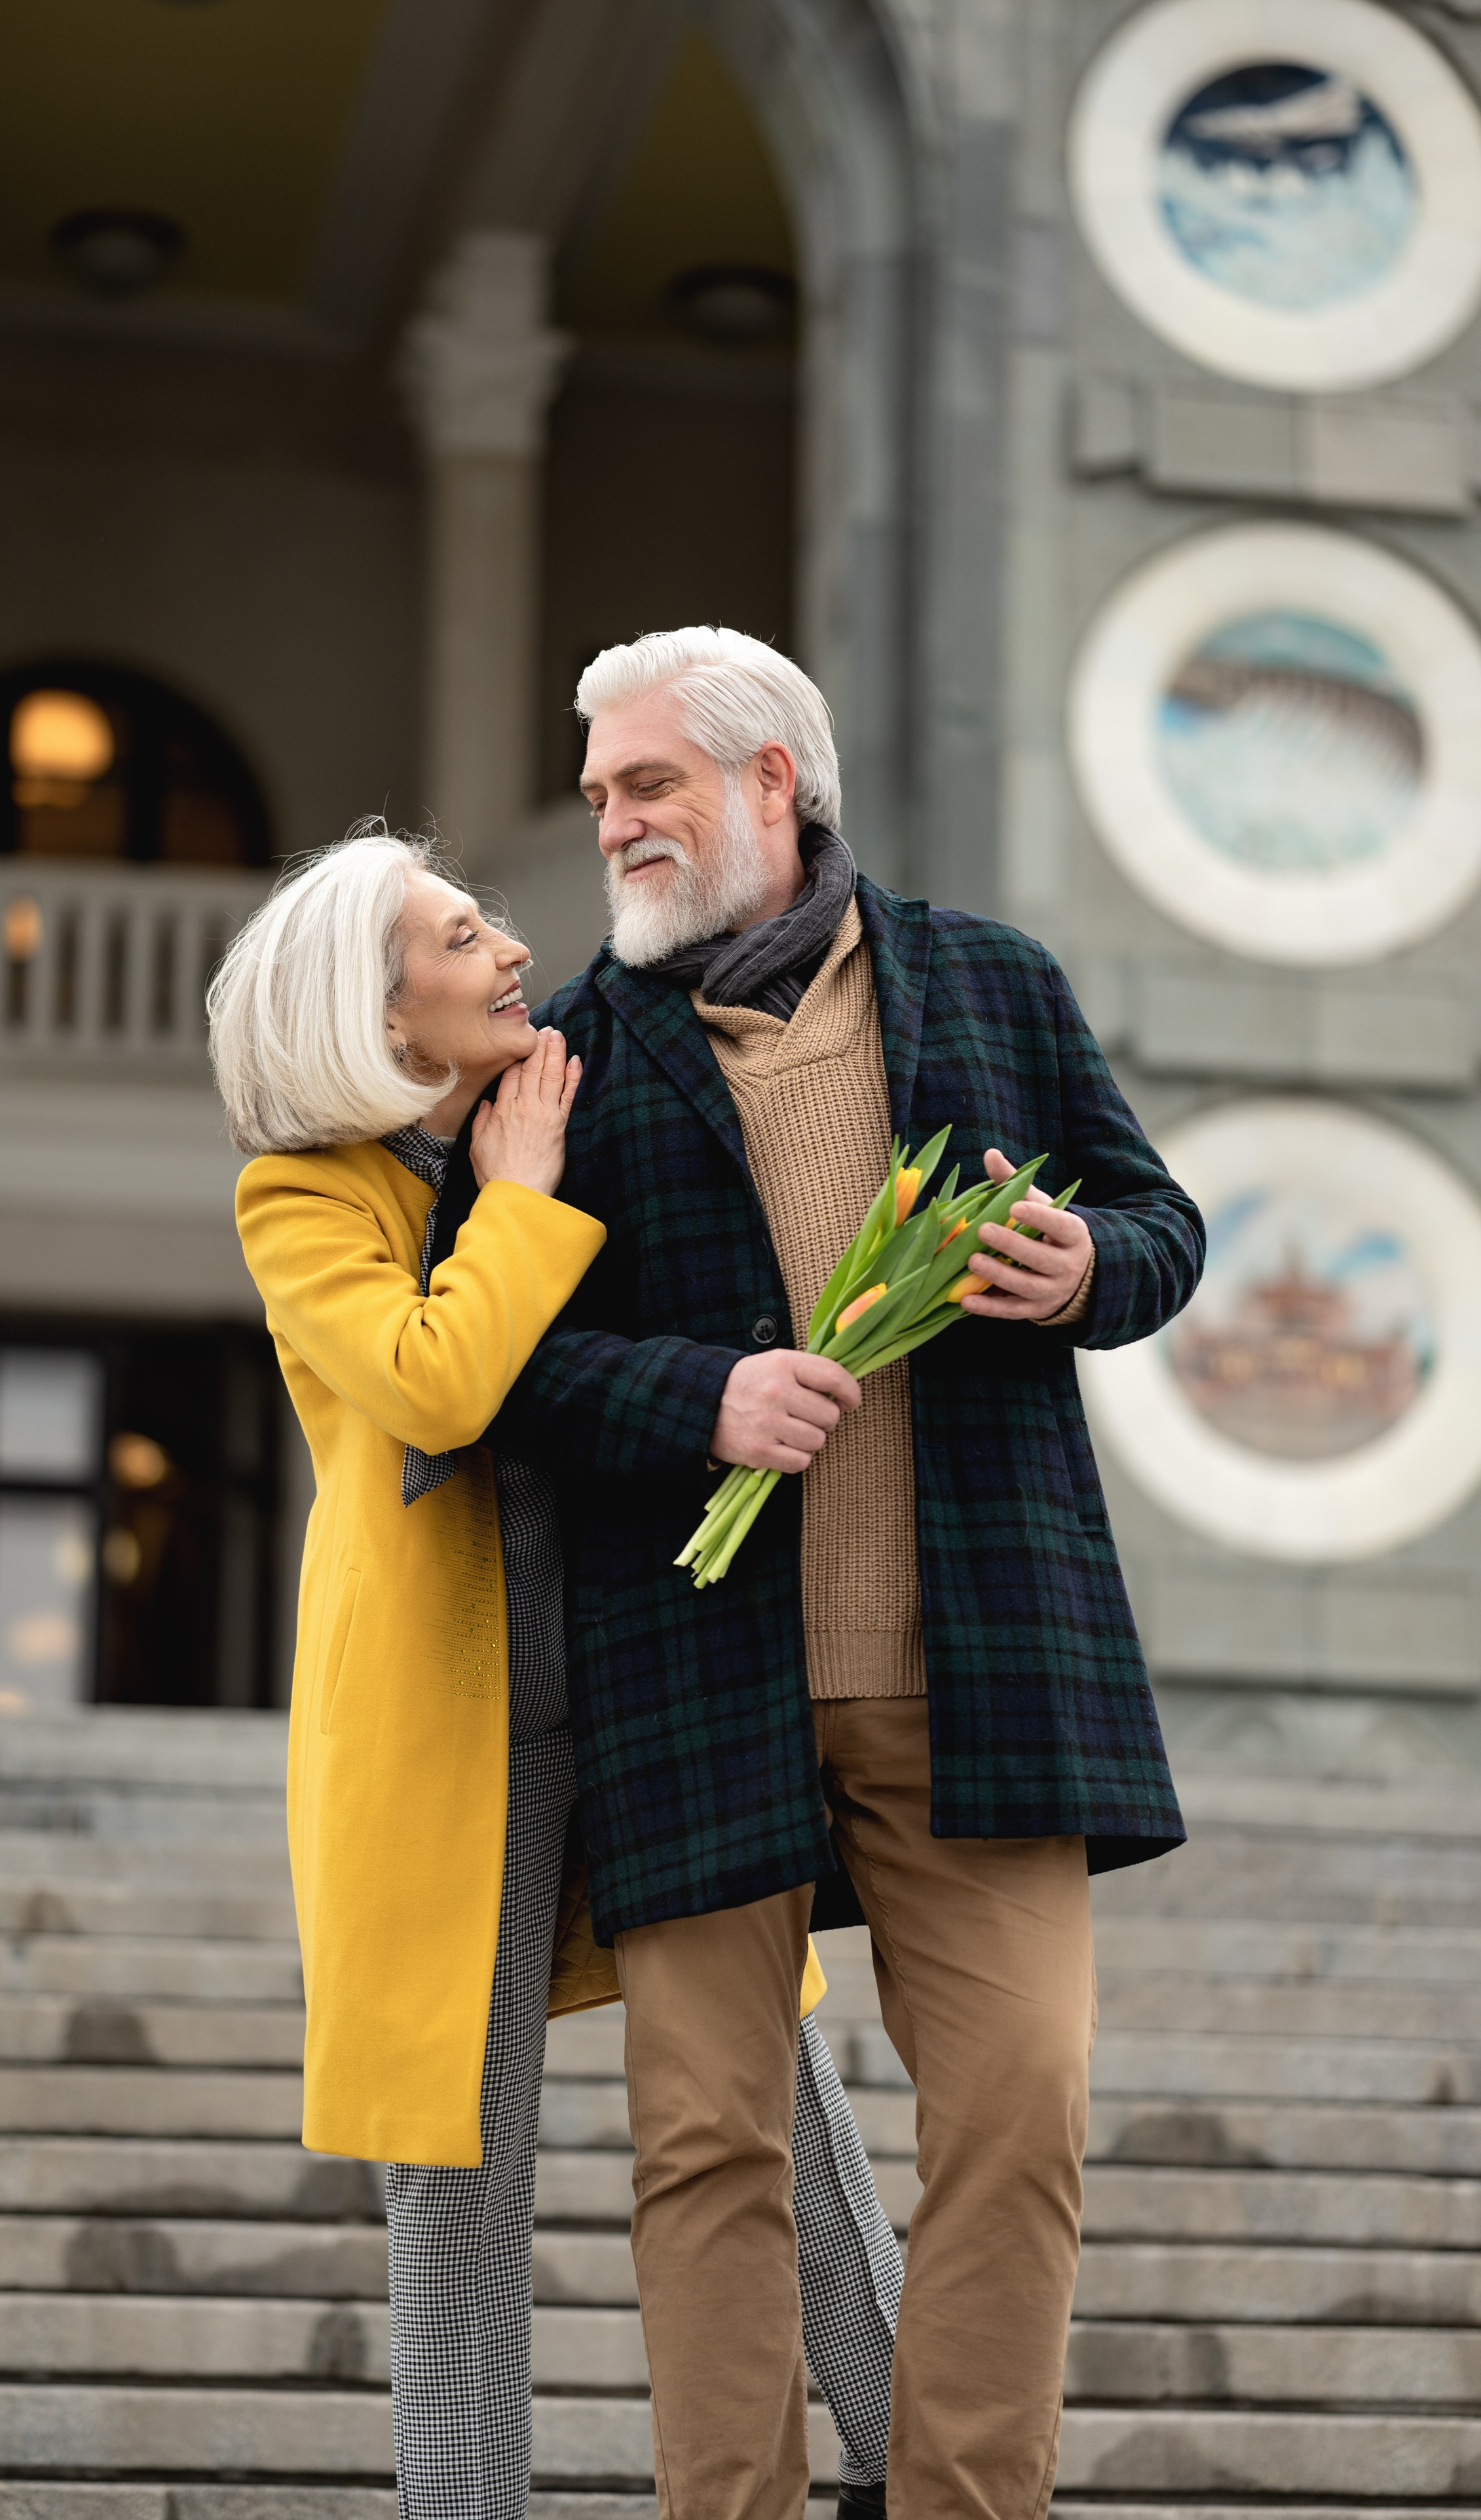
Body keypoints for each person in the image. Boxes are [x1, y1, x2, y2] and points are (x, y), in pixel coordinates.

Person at [478, 630, 1207, 2520]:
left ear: (769, 782)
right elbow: (513, 1365)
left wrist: (1087, 1269)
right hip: (699, 1682)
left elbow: (1159, 1221)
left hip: (981, 1667)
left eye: (647, 785)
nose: (615, 823)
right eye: (601, 796)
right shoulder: (567, 1055)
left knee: (1021, 2116)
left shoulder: (990, 982)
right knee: (703, 2150)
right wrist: (699, 1394)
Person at [207, 827, 905, 2520]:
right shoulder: (304, 1200)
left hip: (655, 1674)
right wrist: (514, 1200)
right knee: (454, 2171)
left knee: (787, 2113)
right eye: (461, 937)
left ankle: (920, 2474)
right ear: (380, 1008)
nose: (511, 949)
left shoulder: (575, 1108)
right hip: (454, 1744)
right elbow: (437, 1387)